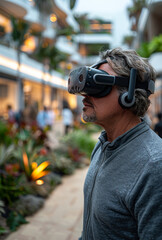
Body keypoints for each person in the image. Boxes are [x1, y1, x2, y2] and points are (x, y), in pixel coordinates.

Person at [68, 48, 162, 240]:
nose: (85, 95)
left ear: (128, 94)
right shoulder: (103, 144)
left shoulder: (154, 166)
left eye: (97, 84)